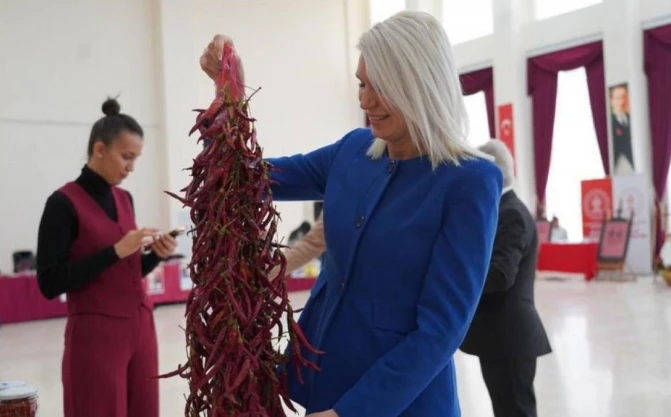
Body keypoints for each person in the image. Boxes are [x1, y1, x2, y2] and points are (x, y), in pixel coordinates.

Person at [200, 11, 503, 417]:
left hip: (399, 402)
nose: (365, 100)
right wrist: (229, 99)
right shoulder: (353, 151)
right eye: (362, 84)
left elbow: (441, 330)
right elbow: (242, 178)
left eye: (381, 87)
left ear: (420, 84)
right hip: (323, 384)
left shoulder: (469, 181)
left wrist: (352, 412)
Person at [36, 98, 178, 417]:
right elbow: (49, 282)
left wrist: (155, 256)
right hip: (95, 335)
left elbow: (124, 273)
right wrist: (116, 251)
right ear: (100, 149)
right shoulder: (62, 203)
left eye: (136, 159)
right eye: (126, 157)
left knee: (144, 409)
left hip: (141, 328)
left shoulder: (125, 199)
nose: (131, 167)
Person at [460, 140, 551, 417]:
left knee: (515, 411)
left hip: (509, 336)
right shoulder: (501, 209)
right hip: (498, 336)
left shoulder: (511, 214)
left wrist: (457, 281)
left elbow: (501, 274)